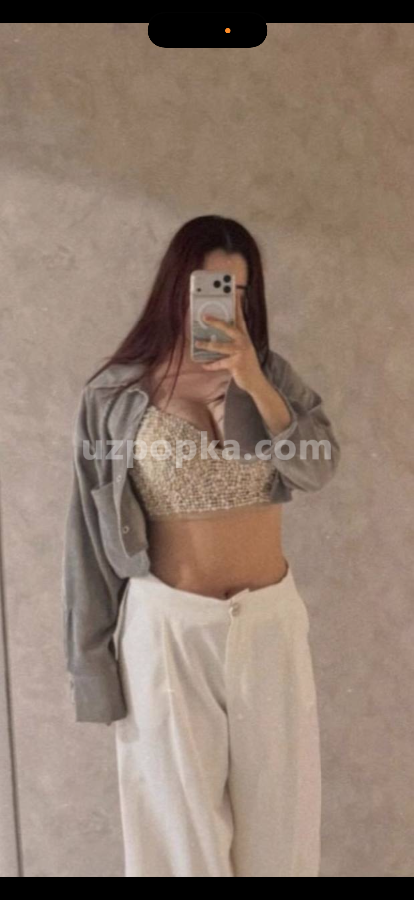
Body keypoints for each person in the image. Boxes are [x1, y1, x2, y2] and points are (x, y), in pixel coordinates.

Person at [62, 214, 341, 877]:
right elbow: (87, 540)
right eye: (210, 286)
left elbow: (318, 467)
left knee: (282, 834)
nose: (224, 303)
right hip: (167, 633)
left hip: (269, 626)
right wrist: (91, 668)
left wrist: (254, 381)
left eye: (238, 291)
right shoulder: (114, 396)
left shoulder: (272, 378)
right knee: (177, 844)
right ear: (177, 287)